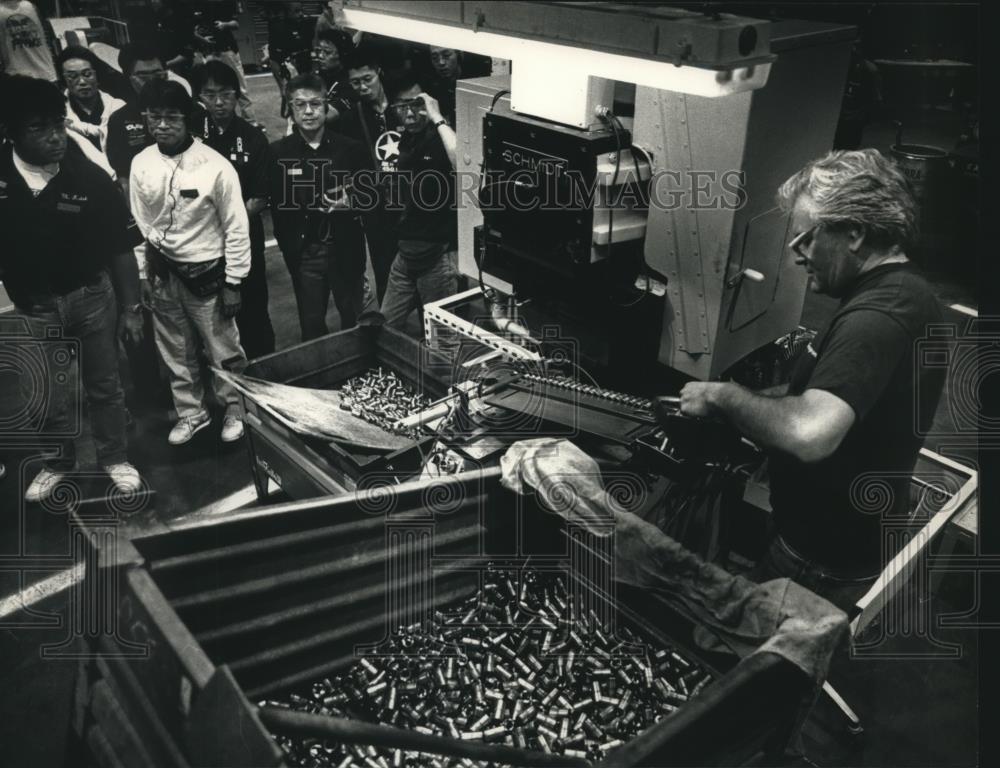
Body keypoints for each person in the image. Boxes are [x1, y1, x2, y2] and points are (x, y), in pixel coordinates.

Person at [678, 149, 946, 612]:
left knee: (749, 668)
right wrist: (751, 407)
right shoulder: (900, 292)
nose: (795, 252)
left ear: (855, 233)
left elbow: (810, 433)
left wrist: (724, 396)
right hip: (833, 539)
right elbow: (819, 396)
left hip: (821, 557)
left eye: (806, 236)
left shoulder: (877, 317)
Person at [0, 75, 146, 500]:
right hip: (34, 307)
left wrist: (133, 309)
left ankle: (114, 457)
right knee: (45, 395)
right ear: (9, 131)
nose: (54, 137)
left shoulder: (91, 179)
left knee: (105, 387)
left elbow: (121, 248)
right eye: (38, 128)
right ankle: (57, 462)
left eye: (58, 124)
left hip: (92, 298)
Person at [129, 79, 250, 445]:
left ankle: (236, 408)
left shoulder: (215, 166)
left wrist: (234, 281)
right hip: (164, 274)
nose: (162, 125)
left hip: (208, 274)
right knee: (176, 351)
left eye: (171, 118)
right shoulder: (141, 163)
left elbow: (236, 226)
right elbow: (139, 223)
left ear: (187, 120)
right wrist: (142, 274)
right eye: (155, 118)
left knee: (223, 349)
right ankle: (192, 412)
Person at [267, 72, 375, 341]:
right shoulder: (278, 153)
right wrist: (291, 248)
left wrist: (349, 203)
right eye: (300, 104)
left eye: (315, 104)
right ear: (290, 109)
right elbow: (278, 209)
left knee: (354, 320)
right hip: (305, 255)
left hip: (346, 251)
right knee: (312, 324)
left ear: (326, 106)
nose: (308, 111)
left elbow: (373, 195)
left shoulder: (352, 149)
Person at [192, 60, 274, 359]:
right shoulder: (190, 136)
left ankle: (265, 372)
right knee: (211, 321)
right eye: (210, 95)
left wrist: (226, 223)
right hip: (201, 247)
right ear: (200, 96)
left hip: (245, 242)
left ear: (237, 96)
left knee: (254, 313)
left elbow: (261, 197)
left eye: (225, 94)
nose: (218, 102)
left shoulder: (254, 138)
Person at [379, 75, 459, 343]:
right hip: (405, 255)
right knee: (385, 328)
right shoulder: (405, 141)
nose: (410, 113)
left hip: (437, 257)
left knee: (442, 341)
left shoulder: (441, 136)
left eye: (417, 104)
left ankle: (443, 384)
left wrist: (437, 117)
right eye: (402, 107)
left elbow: (463, 162)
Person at [338, 44, 401, 303]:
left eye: (367, 79)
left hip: (411, 202)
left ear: (378, 73)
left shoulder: (403, 105)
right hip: (376, 208)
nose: (362, 87)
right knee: (384, 270)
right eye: (355, 83)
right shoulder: (353, 118)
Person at [106, 41, 169, 193]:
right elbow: (123, 176)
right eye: (143, 75)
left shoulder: (191, 110)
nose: (152, 81)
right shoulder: (118, 120)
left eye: (157, 74)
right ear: (129, 78)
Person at [191, 0, 257, 124]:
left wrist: (224, 24)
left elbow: (236, 24)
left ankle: (251, 123)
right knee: (213, 89)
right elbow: (193, 29)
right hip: (209, 53)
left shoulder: (226, 2)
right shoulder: (198, 5)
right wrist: (202, 39)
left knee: (241, 89)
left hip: (227, 51)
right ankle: (220, 123)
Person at [57, 45, 126, 156]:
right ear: (63, 79)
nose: (82, 81)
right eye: (73, 76)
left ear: (96, 75)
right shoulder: (58, 115)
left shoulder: (118, 107)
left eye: (87, 74)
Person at [0, 0, 56, 82]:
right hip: (24, 76)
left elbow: (48, 38)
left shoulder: (31, 6)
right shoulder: (31, 6)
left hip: (42, 74)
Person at [312, 28, 354, 125]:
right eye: (319, 51)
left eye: (327, 52)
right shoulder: (319, 75)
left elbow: (327, 117)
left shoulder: (350, 81)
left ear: (342, 54)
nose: (320, 56)